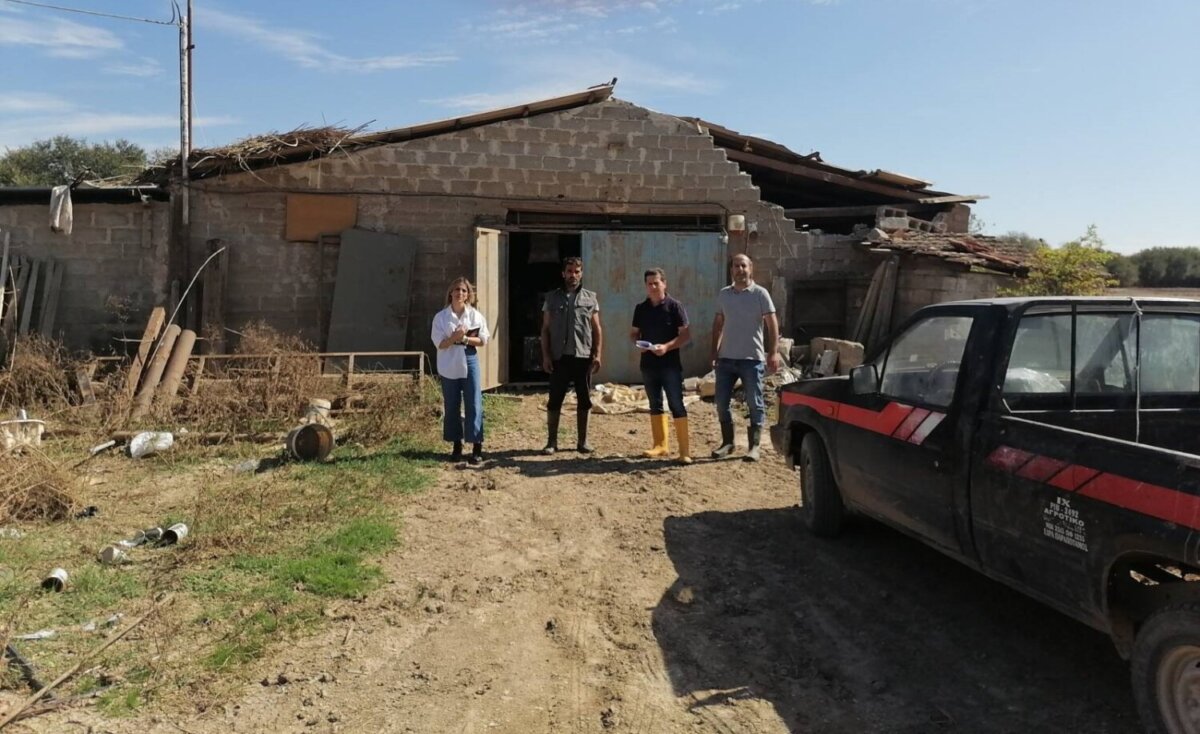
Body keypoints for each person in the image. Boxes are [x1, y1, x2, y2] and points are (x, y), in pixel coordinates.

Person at [710, 253, 780, 462]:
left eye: (743, 266)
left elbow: (772, 325)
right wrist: (714, 351)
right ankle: (728, 443)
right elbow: (718, 324)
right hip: (726, 359)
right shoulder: (724, 294)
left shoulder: (760, 294)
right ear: (731, 270)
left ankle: (754, 446)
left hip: (752, 359)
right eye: (736, 266)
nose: (740, 270)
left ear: (751, 269)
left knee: (754, 402)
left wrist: (773, 352)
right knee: (721, 402)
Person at [541, 256, 603, 455]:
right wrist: (546, 356)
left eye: (577, 271)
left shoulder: (590, 298)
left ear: (581, 274)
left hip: (582, 357)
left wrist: (597, 354)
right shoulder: (552, 298)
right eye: (569, 271)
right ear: (563, 273)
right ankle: (552, 442)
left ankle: (583, 442)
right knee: (555, 399)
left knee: (584, 399)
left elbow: (596, 328)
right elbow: (545, 329)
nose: (573, 275)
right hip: (559, 358)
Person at [631, 268, 692, 464]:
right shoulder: (641, 308)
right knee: (654, 403)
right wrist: (638, 344)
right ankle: (660, 445)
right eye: (649, 284)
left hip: (670, 365)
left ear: (664, 283)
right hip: (648, 364)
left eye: (656, 283)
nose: (653, 287)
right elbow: (633, 333)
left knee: (676, 404)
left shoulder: (675, 307)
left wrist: (666, 347)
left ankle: (684, 451)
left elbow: (685, 335)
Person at [431, 277, 491, 464]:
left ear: (468, 295)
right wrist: (455, 337)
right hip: (449, 362)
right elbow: (440, 343)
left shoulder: (475, 316)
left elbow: (483, 340)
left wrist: (464, 339)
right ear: (451, 292)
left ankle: (476, 446)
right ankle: (456, 444)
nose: (460, 293)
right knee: (452, 404)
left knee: (474, 402)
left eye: (464, 290)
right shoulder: (441, 317)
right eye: (457, 289)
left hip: (469, 358)